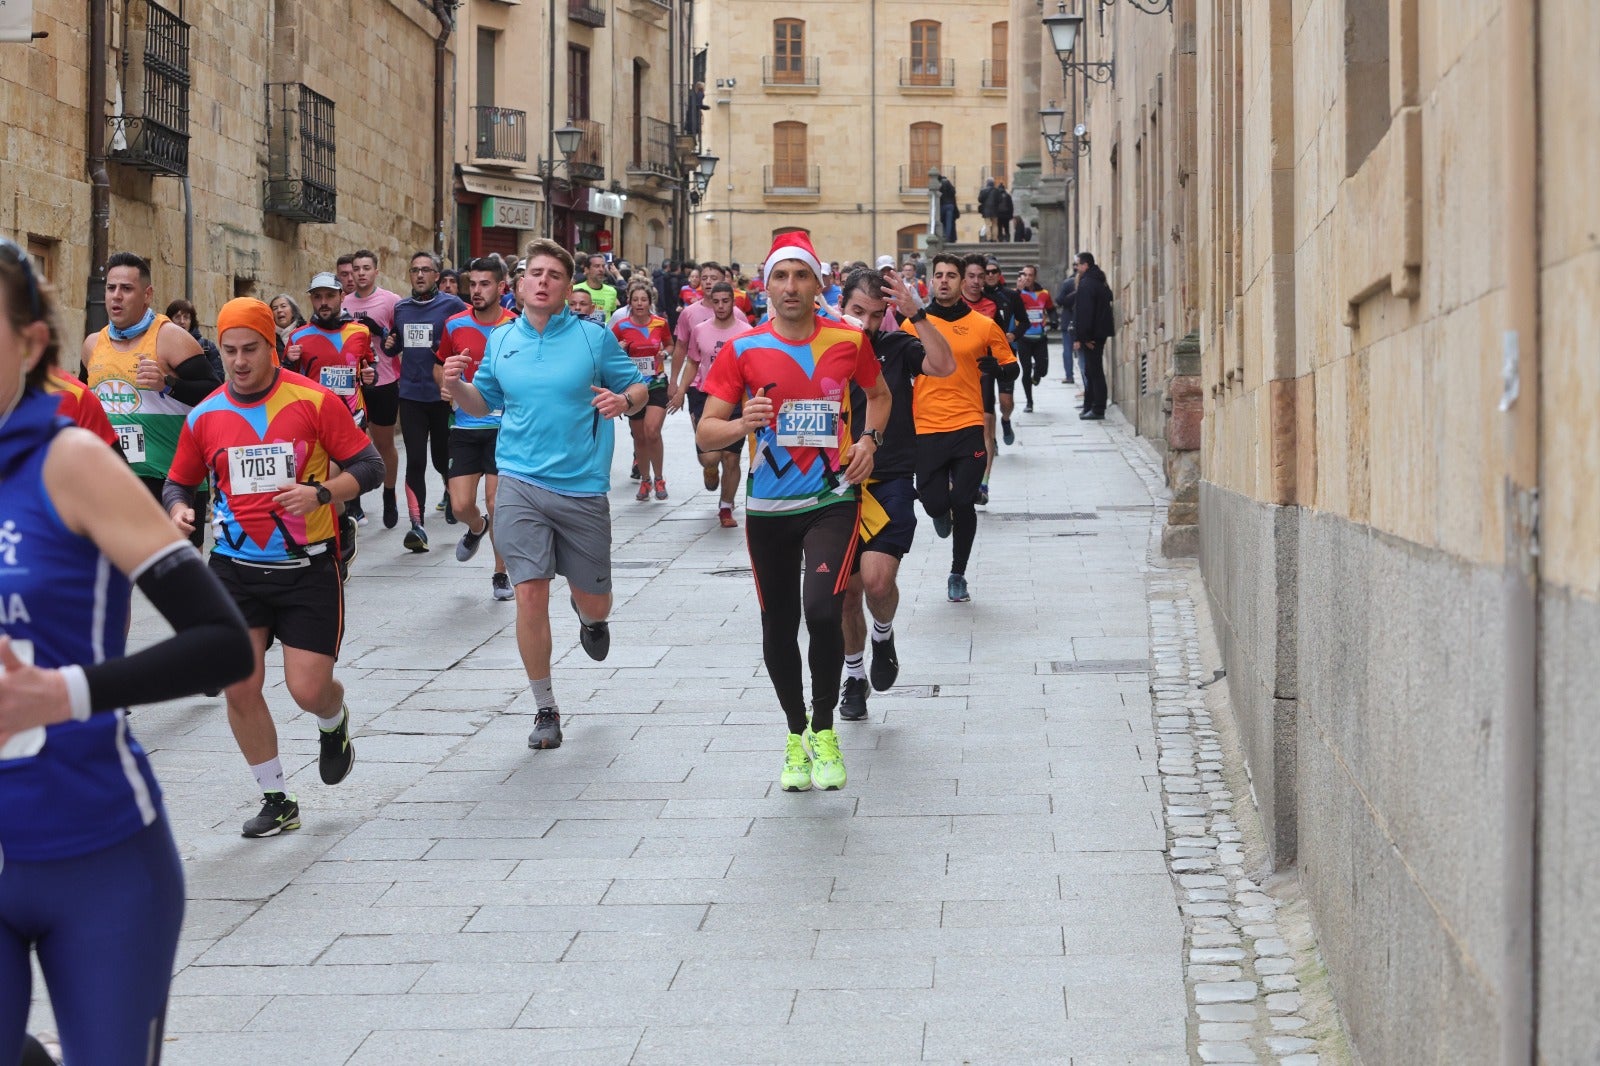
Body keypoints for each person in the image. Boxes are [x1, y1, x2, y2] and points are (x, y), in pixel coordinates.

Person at [0, 240, 253, 1064]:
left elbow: (222, 646)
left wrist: (61, 694)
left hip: (96, 851)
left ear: (32, 342)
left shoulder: (70, 464)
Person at [164, 297, 384, 838]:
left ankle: (333, 723)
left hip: (307, 567)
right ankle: (277, 798)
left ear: (274, 346)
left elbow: (370, 464)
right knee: (240, 684)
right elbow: (178, 479)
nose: (239, 362)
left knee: (308, 690)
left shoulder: (313, 401)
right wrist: (178, 507)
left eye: (251, 349)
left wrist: (322, 493)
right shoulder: (205, 415)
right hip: (236, 569)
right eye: (231, 351)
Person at [694, 232, 890, 793]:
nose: (791, 287)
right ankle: (794, 735)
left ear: (817, 282)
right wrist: (742, 424)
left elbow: (879, 395)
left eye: (801, 276)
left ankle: (825, 729)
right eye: (780, 277)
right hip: (769, 505)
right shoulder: (742, 349)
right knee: (779, 621)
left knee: (823, 611)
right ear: (766, 284)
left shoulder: (848, 340)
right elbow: (708, 432)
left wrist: (870, 441)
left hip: (832, 498)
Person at [441, 239, 647, 751]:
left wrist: (623, 399)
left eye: (554, 275)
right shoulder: (501, 339)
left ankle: (589, 618)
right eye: (535, 273)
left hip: (581, 489)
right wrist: (455, 385)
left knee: (595, 603)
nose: (543, 281)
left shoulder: (593, 339)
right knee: (529, 593)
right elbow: (482, 401)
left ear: (566, 286)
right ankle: (545, 707)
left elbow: (642, 388)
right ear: (519, 283)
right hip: (519, 483)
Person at [835, 267, 954, 722]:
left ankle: (882, 634)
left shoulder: (897, 347)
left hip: (889, 480)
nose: (865, 323)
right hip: (836, 486)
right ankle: (853, 676)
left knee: (879, 582)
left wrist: (917, 314)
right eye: (856, 311)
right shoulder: (821, 351)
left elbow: (943, 365)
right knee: (847, 593)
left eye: (875, 314)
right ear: (840, 305)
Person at [80, 251, 220, 548]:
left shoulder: (170, 337)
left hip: (171, 481)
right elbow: (82, 405)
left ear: (147, 294)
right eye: (111, 288)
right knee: (117, 579)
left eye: (126, 289)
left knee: (176, 584)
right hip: (115, 478)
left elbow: (214, 393)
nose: (116, 296)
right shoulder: (93, 344)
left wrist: (167, 385)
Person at [914, 252, 1018, 603]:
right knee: (932, 503)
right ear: (930, 280)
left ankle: (957, 573)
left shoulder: (984, 325)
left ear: (962, 282)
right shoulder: (912, 324)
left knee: (964, 501)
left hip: (968, 422)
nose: (943, 280)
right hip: (926, 425)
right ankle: (939, 513)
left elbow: (1011, 366)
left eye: (951, 275)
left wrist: (999, 370)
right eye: (938, 274)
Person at [435, 257, 517, 602]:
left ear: (501, 288)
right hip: (465, 427)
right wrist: (446, 387)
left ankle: (501, 573)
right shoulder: (454, 324)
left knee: (498, 503)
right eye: (473, 284)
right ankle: (476, 527)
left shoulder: (517, 326)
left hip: (503, 427)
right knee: (460, 506)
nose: (477, 291)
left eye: (485, 284)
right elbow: (440, 366)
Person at [388, 250, 467, 550]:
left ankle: (452, 497)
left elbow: (466, 334)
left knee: (440, 458)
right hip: (410, 395)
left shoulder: (452, 305)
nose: (419, 275)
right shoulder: (401, 308)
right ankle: (417, 526)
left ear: (437, 275)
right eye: (414, 270)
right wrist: (390, 342)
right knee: (416, 460)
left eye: (426, 270)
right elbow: (397, 343)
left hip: (442, 396)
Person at [668, 281, 750, 527]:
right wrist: (681, 390)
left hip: (735, 397)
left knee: (732, 457)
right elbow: (693, 362)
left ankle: (726, 507)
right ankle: (709, 468)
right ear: (710, 302)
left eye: (726, 301)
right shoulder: (701, 330)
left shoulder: (746, 330)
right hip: (705, 395)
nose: (721, 306)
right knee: (711, 457)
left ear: (733, 302)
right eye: (717, 301)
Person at [343, 249, 404, 527]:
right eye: (357, 269)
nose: (361, 273)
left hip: (384, 380)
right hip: (352, 385)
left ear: (376, 271)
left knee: (384, 444)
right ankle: (353, 503)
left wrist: (379, 331)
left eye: (367, 268)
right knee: (351, 444)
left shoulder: (391, 301)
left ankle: (389, 495)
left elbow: (398, 340)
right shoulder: (343, 303)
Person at [613, 280, 673, 502]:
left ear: (650, 302)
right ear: (630, 302)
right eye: (635, 300)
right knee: (639, 436)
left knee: (652, 431)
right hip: (633, 385)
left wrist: (664, 354)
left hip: (656, 383)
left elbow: (670, 344)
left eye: (644, 300)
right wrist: (620, 349)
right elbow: (609, 351)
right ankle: (645, 480)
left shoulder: (660, 323)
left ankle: (659, 478)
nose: (639, 303)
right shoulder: (622, 326)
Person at [982, 259, 1029, 451]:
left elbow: (1024, 321)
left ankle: (1006, 419)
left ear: (999, 273)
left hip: (1005, 355)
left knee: (1005, 401)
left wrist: (1014, 335)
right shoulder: (977, 298)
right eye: (987, 272)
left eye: (994, 271)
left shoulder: (1010, 296)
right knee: (986, 404)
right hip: (983, 357)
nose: (990, 275)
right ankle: (990, 440)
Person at [1071, 252, 1115, 420]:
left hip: (1093, 335)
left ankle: (1097, 408)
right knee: (1090, 371)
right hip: (1098, 333)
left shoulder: (1088, 283)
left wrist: (1084, 337)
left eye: (1078, 264)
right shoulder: (1098, 281)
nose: (1076, 268)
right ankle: (1090, 405)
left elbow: (1085, 312)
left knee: (1094, 371)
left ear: (1085, 265)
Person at [1015, 264, 1055, 411]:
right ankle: (1029, 402)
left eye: (1030, 275)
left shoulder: (1044, 293)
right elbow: (1011, 306)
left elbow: (1051, 309)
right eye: (1024, 275)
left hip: (1040, 337)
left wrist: (1054, 320)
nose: (1027, 278)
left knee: (1043, 370)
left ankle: (1037, 374)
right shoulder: (1016, 294)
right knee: (1025, 371)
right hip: (1024, 338)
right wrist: (1018, 291)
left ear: (1034, 277)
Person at [166, 297, 224, 380]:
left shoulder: (207, 347)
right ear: (170, 320)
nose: (182, 321)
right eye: (177, 317)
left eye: (186, 317)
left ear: (191, 321)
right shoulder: (162, 346)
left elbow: (218, 380)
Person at [269, 294, 306, 368]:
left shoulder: (305, 333)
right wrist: (287, 360)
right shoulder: (269, 340)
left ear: (293, 311)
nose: (279, 310)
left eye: (283, 306)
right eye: (275, 308)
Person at [938, 174, 959, 241]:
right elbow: (954, 196)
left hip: (942, 205)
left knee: (941, 221)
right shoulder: (950, 186)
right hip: (950, 206)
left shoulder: (939, 185)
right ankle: (948, 237)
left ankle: (943, 235)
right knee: (949, 222)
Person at [977, 178, 997, 242]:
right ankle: (994, 238)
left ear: (987, 183)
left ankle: (989, 238)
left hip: (986, 210)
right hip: (995, 210)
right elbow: (1000, 200)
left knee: (987, 224)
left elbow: (980, 200)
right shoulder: (996, 191)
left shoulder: (983, 190)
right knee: (995, 224)